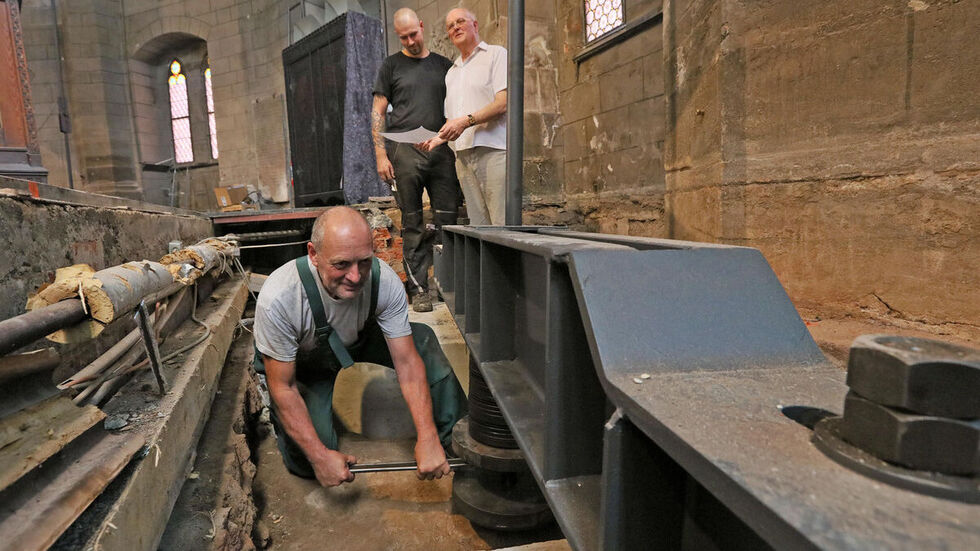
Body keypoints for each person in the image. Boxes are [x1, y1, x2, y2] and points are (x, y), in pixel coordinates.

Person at [253, 207, 467, 487]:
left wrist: (427, 438)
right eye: (341, 264)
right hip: (305, 362)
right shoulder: (280, 298)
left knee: (422, 339)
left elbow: (407, 364)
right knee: (307, 461)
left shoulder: (383, 280)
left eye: (364, 262)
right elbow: (283, 387)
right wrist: (319, 458)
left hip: (359, 341)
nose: (355, 277)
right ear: (314, 254)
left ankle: (455, 437)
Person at [373, 8, 461, 312]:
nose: (410, 40)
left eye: (414, 33)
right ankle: (420, 290)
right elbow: (378, 111)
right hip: (403, 149)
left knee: (448, 220)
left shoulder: (445, 66)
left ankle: (450, 287)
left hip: (441, 148)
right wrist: (380, 152)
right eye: (404, 36)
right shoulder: (390, 66)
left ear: (422, 27)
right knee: (412, 222)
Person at [421, 8, 508, 226]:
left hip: (493, 150)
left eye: (460, 21)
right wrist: (437, 139)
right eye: (450, 26)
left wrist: (465, 121)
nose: (455, 27)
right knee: (480, 227)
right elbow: (452, 120)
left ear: (475, 25)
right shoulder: (452, 73)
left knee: (503, 224)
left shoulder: (496, 54)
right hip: (463, 158)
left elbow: (503, 103)